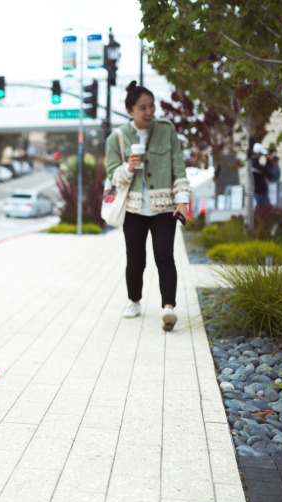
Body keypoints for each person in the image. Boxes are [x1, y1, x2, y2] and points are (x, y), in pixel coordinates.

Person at [105, 81, 191, 331]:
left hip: (164, 207)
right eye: (143, 107)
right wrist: (128, 167)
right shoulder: (117, 138)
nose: (149, 112)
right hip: (133, 209)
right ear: (130, 110)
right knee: (135, 260)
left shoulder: (166, 130)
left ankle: (168, 309)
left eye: (152, 106)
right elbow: (112, 175)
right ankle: (134, 301)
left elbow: (179, 168)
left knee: (165, 256)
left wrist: (182, 201)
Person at [251, 143, 270, 207]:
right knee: (263, 209)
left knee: (266, 208)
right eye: (260, 153)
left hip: (262, 191)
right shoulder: (253, 164)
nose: (261, 155)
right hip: (259, 192)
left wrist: (268, 160)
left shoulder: (256, 163)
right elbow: (264, 171)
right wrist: (268, 160)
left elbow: (266, 172)